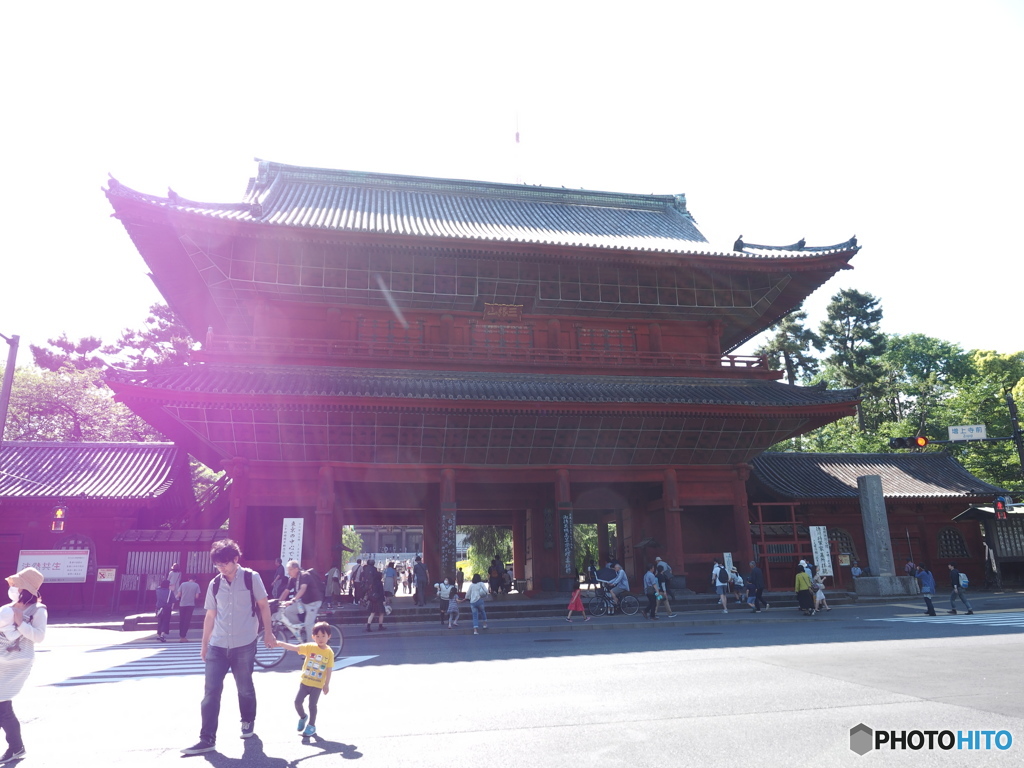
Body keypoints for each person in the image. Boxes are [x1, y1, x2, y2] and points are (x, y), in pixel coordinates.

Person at [181, 539, 275, 755]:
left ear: (235, 559)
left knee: (244, 687)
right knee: (211, 692)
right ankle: (207, 738)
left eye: (224, 563)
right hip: (218, 645)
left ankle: (247, 720)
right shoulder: (215, 584)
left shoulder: (251, 578)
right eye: (217, 564)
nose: (221, 568)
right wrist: (204, 645)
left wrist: (268, 632)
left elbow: (263, 605)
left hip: (244, 642)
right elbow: (210, 615)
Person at [0, 567, 46, 763]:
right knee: (2, 704)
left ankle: (16, 746)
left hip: (17, 662)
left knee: (2, 703)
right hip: (2, 658)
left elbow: (39, 636)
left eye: (16, 585)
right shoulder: (11, 605)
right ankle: (16, 747)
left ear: (24, 588)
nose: (11, 587)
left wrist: (20, 623)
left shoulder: (38, 609)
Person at [276, 621, 334, 738]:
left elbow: (328, 669)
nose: (320, 639)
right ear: (313, 637)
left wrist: (326, 684)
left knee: (312, 705)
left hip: (317, 685)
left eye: (323, 636)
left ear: (329, 636)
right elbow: (296, 648)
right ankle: (303, 717)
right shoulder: (309, 647)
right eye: (317, 636)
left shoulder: (329, 652)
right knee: (297, 702)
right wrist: (281, 644)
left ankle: (311, 725)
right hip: (305, 682)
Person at [281, 560, 324, 644]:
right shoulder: (292, 579)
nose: (288, 572)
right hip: (304, 601)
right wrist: (278, 602)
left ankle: (310, 648)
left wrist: (293, 600)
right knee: (288, 611)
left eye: (289, 570)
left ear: (296, 569)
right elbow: (286, 591)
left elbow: (303, 589)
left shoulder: (304, 575)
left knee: (309, 624)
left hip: (313, 602)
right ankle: (300, 628)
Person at [177, 575, 202, 641]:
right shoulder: (196, 585)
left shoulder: (183, 584)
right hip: (190, 604)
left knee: (181, 620)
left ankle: (181, 636)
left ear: (188, 579)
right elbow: (197, 596)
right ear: (195, 580)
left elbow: (179, 594)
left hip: (182, 604)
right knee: (187, 620)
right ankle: (183, 636)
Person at [365, 565, 387, 631]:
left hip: (373, 599)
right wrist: (384, 600)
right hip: (379, 599)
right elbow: (381, 592)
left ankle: (368, 626)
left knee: (372, 613)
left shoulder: (373, 582)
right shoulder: (379, 583)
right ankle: (380, 626)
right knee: (381, 613)